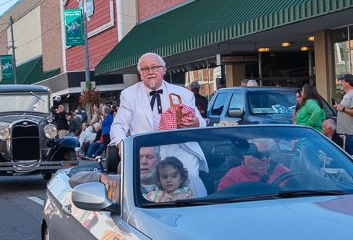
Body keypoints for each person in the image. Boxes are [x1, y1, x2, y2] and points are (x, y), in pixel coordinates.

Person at [111, 53, 205, 193]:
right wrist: (122, 144)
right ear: (140, 73)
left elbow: (202, 123)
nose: (150, 72)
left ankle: (199, 209)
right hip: (147, 151)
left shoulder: (184, 94)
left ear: (163, 70)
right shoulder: (129, 95)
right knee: (147, 186)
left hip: (179, 147)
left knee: (190, 177)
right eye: (145, 69)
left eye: (154, 67)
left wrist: (195, 123)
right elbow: (118, 125)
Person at [216, 141, 289, 190]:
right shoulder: (232, 178)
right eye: (258, 155)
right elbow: (223, 206)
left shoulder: (283, 171)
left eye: (267, 154)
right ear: (245, 154)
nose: (264, 159)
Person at [333, 74, 353, 155]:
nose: (340, 83)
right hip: (346, 134)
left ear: (348, 82)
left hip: (351, 134)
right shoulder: (348, 94)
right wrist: (339, 107)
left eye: (342, 81)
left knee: (352, 158)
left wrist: (342, 108)